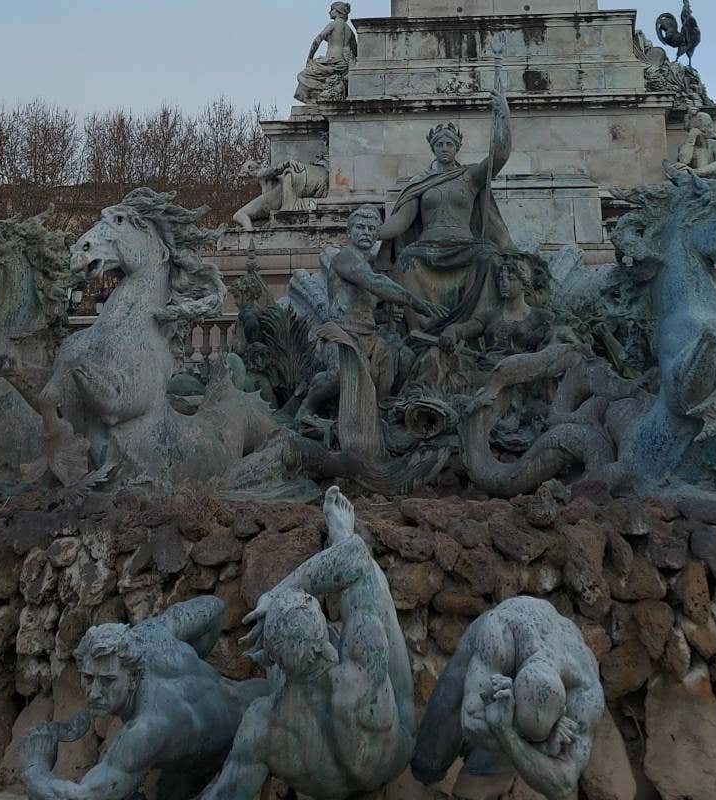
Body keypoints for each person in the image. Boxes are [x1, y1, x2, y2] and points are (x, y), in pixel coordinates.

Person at [197, 487, 417, 800]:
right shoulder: (364, 657)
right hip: (391, 758)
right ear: (327, 643)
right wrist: (275, 595)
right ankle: (340, 532)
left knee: (284, 680)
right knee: (369, 584)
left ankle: (280, 646)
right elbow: (357, 559)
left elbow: (225, 793)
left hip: (321, 782)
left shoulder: (261, 724)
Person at [19, 597, 269, 800]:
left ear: (133, 677)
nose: (93, 692)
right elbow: (214, 607)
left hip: (241, 741)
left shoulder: (147, 729)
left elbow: (85, 796)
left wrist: (34, 768)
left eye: (107, 681)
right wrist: (193, 665)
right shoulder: (148, 637)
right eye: (88, 678)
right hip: (253, 692)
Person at [376, 83, 543, 335]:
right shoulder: (420, 183)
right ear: (433, 148)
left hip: (465, 246)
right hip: (428, 247)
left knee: (489, 258)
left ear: (457, 148)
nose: (444, 148)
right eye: (440, 144)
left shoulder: (470, 176)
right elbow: (402, 220)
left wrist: (504, 117)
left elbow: (499, 156)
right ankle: (417, 326)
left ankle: (476, 324)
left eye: (449, 144)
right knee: (405, 260)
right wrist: (373, 232)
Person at [411, 597, 605, 800]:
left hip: (530, 680)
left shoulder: (586, 693)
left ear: (562, 711)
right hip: (489, 647)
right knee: (426, 763)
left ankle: (476, 779)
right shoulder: (500, 631)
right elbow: (471, 719)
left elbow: (564, 785)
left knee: (476, 787)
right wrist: (541, 746)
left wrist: (506, 731)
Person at [295, 206, 446, 437]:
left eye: (371, 229)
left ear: (377, 234)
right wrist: (415, 302)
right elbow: (373, 283)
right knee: (338, 374)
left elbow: (370, 306)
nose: (366, 232)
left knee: (405, 359)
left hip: (370, 337)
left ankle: (385, 410)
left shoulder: (371, 266)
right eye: (360, 227)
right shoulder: (345, 258)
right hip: (341, 334)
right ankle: (306, 410)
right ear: (349, 232)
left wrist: (389, 316)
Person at [295, 3, 358, 104]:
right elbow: (355, 51)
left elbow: (317, 40)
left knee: (303, 75)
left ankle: (314, 99)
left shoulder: (333, 24)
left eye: (332, 9)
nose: (329, 12)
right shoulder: (350, 30)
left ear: (338, 12)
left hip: (332, 61)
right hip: (344, 64)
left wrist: (309, 58)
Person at [677, 110, 716, 177]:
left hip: (710, 177)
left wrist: (696, 172)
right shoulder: (687, 146)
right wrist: (691, 138)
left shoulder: (715, 143)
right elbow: (683, 161)